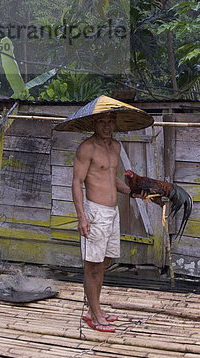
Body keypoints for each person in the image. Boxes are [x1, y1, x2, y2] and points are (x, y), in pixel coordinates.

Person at [71, 112, 142, 332]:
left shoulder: (116, 147)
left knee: (105, 262)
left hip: (112, 212)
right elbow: (76, 182)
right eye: (101, 121)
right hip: (95, 212)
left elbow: (111, 177)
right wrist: (81, 216)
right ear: (94, 123)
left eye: (110, 121)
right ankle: (94, 314)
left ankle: (95, 310)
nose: (106, 125)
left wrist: (132, 191)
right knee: (93, 266)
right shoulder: (87, 148)